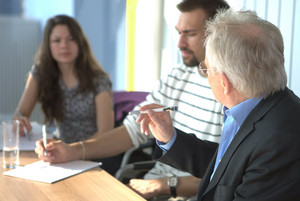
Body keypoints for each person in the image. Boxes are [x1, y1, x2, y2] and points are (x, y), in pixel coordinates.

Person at [35, 0, 229, 200]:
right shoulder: (177, 75)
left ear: (218, 36)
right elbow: (132, 130)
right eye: (179, 33)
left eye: (190, 33)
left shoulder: (231, 91)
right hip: (152, 188)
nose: (180, 43)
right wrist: (72, 150)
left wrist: (165, 185)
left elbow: (228, 171)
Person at [137, 8, 300, 200]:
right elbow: (228, 168)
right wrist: (170, 138)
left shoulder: (280, 141)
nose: (206, 75)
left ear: (224, 82)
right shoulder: (258, 106)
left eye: (206, 68)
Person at [13, 14, 114, 144]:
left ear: (80, 43)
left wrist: (72, 152)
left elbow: (105, 135)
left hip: (95, 153)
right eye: (57, 40)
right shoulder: (40, 72)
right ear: (48, 45)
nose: (64, 45)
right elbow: (18, 117)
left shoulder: (98, 80)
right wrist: (20, 123)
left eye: (71, 39)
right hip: (62, 151)